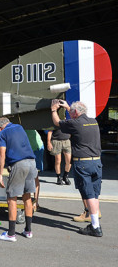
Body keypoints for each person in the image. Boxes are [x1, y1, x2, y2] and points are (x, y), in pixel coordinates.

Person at [51, 100, 103, 237]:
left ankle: (95, 227)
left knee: (88, 195)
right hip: (97, 162)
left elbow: (57, 123)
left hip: (83, 163)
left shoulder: (75, 124)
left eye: (72, 112)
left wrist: (53, 110)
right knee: (95, 194)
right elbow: (77, 115)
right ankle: (94, 221)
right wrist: (69, 108)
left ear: (75, 112)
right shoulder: (93, 121)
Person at [0, 117, 36, 242]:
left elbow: (2, 154)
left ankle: (11, 234)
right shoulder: (19, 127)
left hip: (18, 164)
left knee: (11, 198)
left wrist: (0, 174)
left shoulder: (2, 133)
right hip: (31, 162)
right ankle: (28, 230)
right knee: (27, 196)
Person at [25, 130, 44, 211]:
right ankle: (28, 200)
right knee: (26, 176)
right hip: (26, 148)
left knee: (35, 175)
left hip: (36, 148)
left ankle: (36, 202)